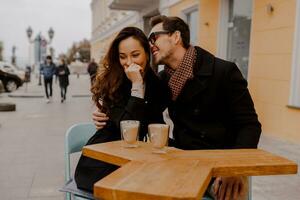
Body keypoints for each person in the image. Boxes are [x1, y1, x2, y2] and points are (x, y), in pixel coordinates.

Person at [92, 15, 262, 200]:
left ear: (175, 37)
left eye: (154, 37)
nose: (150, 45)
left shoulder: (223, 71)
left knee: (230, 195)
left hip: (220, 166)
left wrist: (234, 168)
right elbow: (141, 114)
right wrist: (106, 114)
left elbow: (250, 125)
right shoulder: (164, 80)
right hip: (182, 163)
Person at [74, 27, 170, 192]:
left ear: (147, 53)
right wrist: (137, 86)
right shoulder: (114, 81)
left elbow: (156, 125)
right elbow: (126, 130)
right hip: (101, 162)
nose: (129, 62)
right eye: (122, 56)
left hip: (135, 160)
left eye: (135, 55)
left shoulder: (157, 85)